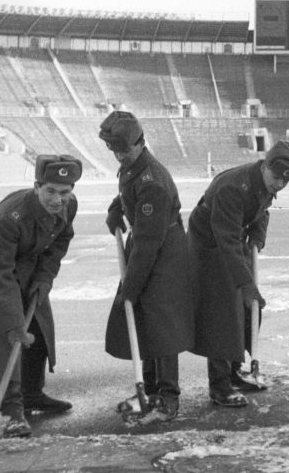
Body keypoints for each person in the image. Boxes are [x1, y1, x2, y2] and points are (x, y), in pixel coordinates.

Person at [0, 154, 80, 438]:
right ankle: (9, 411)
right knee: (7, 335)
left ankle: (32, 394)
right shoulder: (10, 218)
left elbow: (61, 240)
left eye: (65, 192)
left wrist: (44, 278)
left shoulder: (69, 206)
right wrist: (12, 323)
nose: (58, 200)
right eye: (50, 192)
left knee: (38, 327)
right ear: (36, 186)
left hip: (30, 261)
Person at [188, 139, 289, 407]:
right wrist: (246, 284)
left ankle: (233, 372)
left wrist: (257, 237)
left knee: (245, 311)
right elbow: (226, 241)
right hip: (208, 246)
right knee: (222, 314)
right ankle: (219, 387)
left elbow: (261, 212)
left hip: (232, 240)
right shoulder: (234, 187)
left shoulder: (263, 182)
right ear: (265, 166)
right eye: (277, 178)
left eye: (285, 182)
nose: (279, 185)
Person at [99, 111, 193, 421]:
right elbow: (128, 196)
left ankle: (167, 396)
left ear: (140, 143)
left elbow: (149, 243)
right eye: (114, 151)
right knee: (144, 318)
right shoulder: (134, 168)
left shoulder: (153, 180)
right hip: (146, 243)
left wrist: (131, 287)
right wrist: (116, 210)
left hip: (162, 253)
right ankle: (150, 388)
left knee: (161, 321)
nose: (118, 156)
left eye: (123, 150)